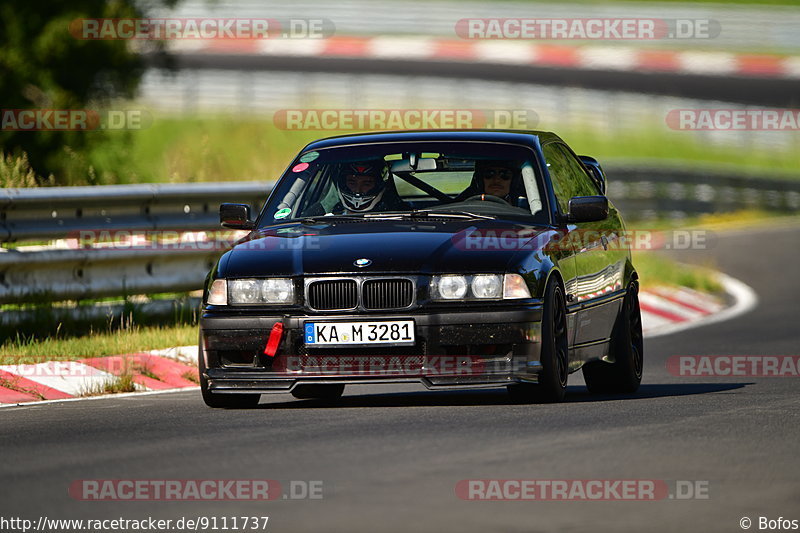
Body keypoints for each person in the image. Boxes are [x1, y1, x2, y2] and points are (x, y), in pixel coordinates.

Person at [332, 161, 408, 213]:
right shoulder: (331, 215)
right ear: (344, 184)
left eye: (366, 184)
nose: (358, 190)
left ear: (378, 185)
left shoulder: (400, 216)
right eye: (352, 183)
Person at [454, 160, 526, 205]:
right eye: (489, 174)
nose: (496, 180)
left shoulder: (530, 208)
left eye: (505, 174)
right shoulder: (462, 207)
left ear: (514, 181)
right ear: (480, 180)